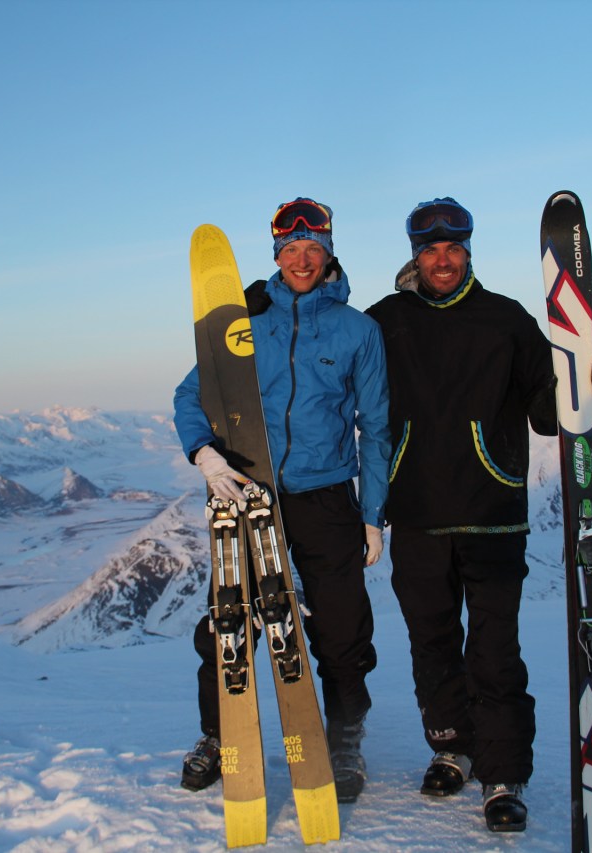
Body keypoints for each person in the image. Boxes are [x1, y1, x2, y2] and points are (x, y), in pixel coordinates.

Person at [366, 197, 592, 833]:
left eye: (453, 248)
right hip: (416, 513)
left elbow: (542, 409)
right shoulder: (386, 321)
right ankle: (453, 746)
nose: (442, 259)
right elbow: (334, 376)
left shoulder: (505, 320)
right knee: (432, 643)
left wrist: (583, 384)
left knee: (495, 652)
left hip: (494, 514)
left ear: (468, 251)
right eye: (430, 249)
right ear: (415, 255)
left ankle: (503, 775)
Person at [173, 198, 391, 803]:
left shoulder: (358, 331)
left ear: (328, 254)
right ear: (277, 255)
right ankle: (220, 737)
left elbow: (375, 427)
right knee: (227, 624)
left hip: (326, 497)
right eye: (290, 250)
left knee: (343, 630)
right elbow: (189, 395)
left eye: (312, 249)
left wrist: (373, 515)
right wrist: (205, 455)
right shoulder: (247, 319)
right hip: (250, 493)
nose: (301, 259)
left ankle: (344, 740)